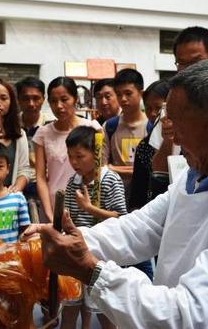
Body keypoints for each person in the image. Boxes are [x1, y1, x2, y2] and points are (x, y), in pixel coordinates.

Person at [24, 59, 208, 328]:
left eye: (176, 124)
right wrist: (60, 239)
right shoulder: (200, 176)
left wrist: (93, 273)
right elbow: (140, 227)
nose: (170, 136)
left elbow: (194, 316)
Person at [62, 126, 125, 329]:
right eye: (70, 156)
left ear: (96, 153)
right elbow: (69, 216)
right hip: (76, 253)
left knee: (103, 312)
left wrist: (89, 208)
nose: (74, 162)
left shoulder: (110, 179)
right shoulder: (74, 181)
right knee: (70, 306)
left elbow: (121, 217)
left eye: (79, 156)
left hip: (102, 255)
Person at [33, 76, 102, 222]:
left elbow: (99, 171)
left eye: (64, 99)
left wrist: (94, 208)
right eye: (53, 101)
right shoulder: (43, 133)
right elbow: (40, 177)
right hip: (53, 204)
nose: (59, 106)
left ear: (75, 99)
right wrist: (49, 212)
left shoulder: (93, 128)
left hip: (85, 206)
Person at [151, 26, 208, 174]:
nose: (189, 70)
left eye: (196, 62)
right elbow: (158, 170)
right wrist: (169, 139)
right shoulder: (169, 109)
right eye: (182, 63)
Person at [102, 69, 149, 189]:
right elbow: (102, 167)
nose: (123, 99)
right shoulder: (109, 126)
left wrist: (114, 168)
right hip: (116, 195)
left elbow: (155, 168)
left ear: (141, 94)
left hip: (144, 195)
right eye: (118, 94)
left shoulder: (152, 126)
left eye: (128, 93)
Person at [129, 79, 170, 210]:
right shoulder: (144, 146)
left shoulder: (189, 141)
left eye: (158, 108)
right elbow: (138, 189)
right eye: (148, 108)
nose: (152, 114)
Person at [15, 77, 55, 199]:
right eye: (26, 98)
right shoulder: (11, 126)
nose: (31, 104)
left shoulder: (52, 125)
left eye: (36, 98)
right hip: (16, 185)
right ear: (18, 100)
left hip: (46, 186)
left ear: (43, 99)